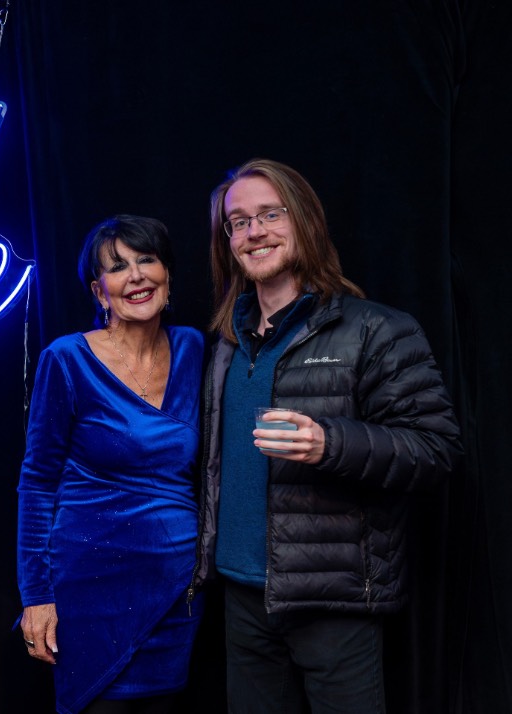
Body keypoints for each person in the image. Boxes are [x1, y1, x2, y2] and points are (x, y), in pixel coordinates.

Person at [194, 158, 462, 713]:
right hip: (243, 597)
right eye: (237, 222)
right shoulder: (224, 344)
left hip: (333, 602)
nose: (253, 232)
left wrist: (330, 443)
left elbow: (437, 451)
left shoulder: (377, 330)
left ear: (306, 221)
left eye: (271, 213)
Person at [17, 215, 204, 714]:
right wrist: (35, 594)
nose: (137, 275)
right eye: (118, 267)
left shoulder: (195, 349)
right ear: (101, 293)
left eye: (147, 259)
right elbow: (37, 484)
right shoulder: (67, 359)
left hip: (174, 594)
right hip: (88, 595)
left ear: (168, 274)